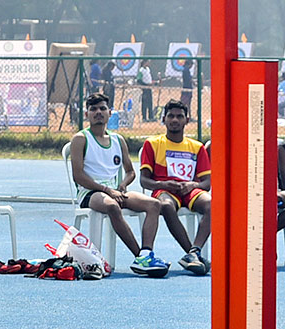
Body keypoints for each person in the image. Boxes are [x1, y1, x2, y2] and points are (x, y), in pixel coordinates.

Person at [69, 93, 169, 277]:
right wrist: (107, 190)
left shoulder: (118, 140)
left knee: (154, 204)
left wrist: (122, 186)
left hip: (115, 191)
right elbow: (78, 175)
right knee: (112, 206)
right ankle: (140, 257)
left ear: (109, 113)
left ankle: (146, 252)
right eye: (93, 109)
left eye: (102, 108)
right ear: (87, 114)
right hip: (91, 193)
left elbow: (130, 171)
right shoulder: (80, 139)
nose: (98, 112)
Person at [140, 98, 211, 275]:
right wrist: (162, 184)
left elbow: (207, 183)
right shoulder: (152, 144)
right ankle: (191, 254)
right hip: (164, 190)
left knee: (213, 205)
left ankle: (195, 251)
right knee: (165, 205)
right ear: (163, 119)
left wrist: (193, 184)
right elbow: (144, 180)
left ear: (187, 120)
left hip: (190, 190)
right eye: (170, 116)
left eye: (179, 116)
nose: (174, 120)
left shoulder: (197, 147)